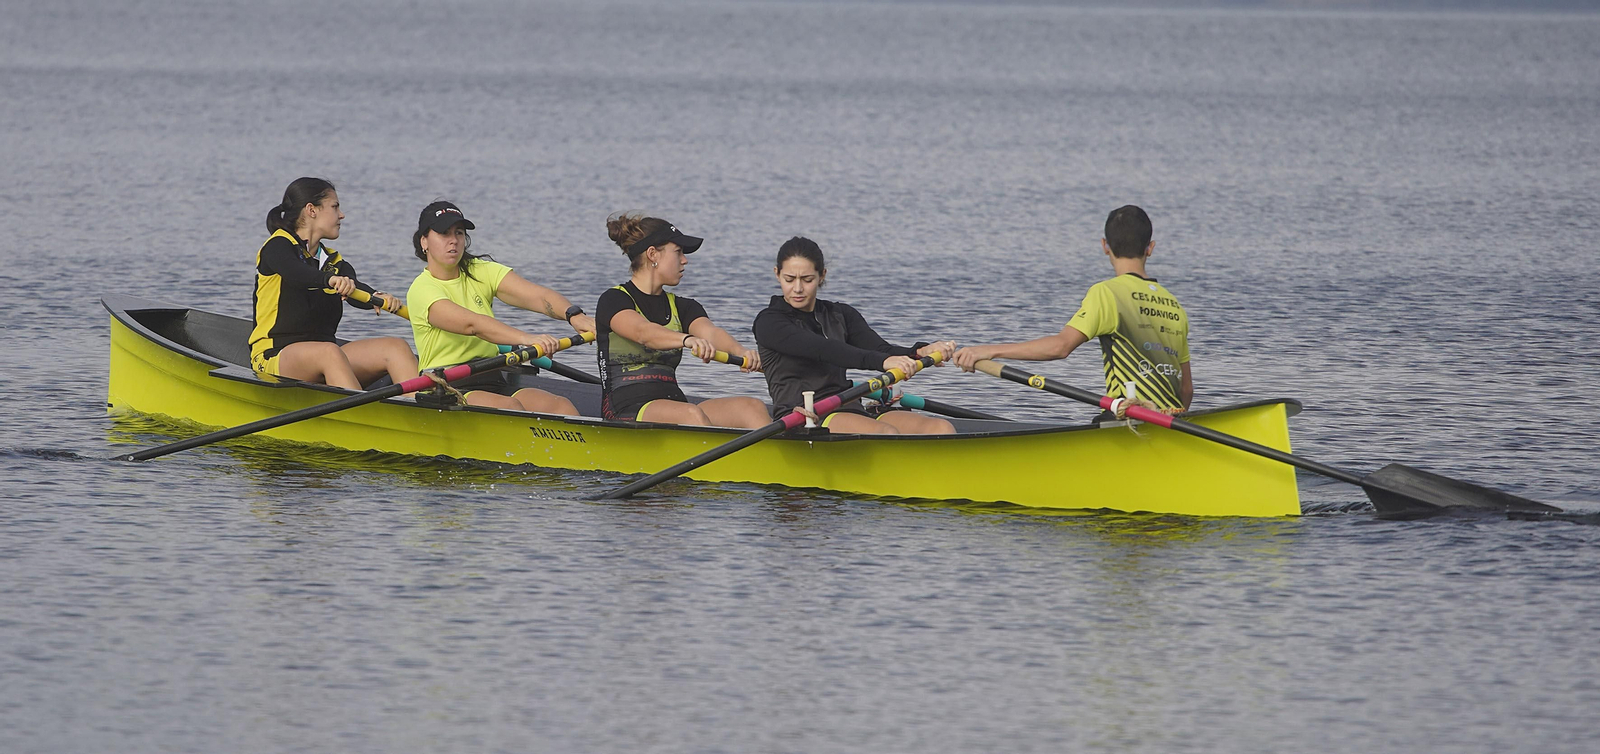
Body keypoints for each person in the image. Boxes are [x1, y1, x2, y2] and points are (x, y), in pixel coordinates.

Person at [953, 205, 1192, 416]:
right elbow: (1186, 390)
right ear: (1150, 248)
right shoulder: (1173, 303)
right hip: (1172, 419)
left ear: (1105, 246)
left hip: (1129, 420)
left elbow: (1060, 347)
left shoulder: (1107, 293)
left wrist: (989, 351)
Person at [406, 201, 596, 415]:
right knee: (510, 408)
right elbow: (473, 325)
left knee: (560, 405)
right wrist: (527, 339)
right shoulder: (421, 289)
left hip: (491, 376)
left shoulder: (479, 271)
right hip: (445, 385)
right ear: (424, 241)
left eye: (459, 233)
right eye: (444, 233)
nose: (454, 240)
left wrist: (574, 316)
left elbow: (538, 297)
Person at [752, 237, 957, 434]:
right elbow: (825, 350)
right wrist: (884, 362)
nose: (797, 288)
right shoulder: (769, 322)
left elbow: (881, 349)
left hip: (849, 407)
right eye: (789, 279)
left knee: (940, 428)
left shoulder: (841, 314)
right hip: (803, 416)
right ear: (777, 274)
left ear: (822, 275)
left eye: (807, 280)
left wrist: (920, 351)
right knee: (885, 432)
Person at [596, 212, 769, 428]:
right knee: (691, 415)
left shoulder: (684, 307)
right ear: (653, 254)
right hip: (625, 409)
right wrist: (686, 339)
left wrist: (741, 352)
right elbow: (643, 333)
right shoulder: (614, 300)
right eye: (678, 252)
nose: (685, 260)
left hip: (676, 405)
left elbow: (711, 334)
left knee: (752, 407)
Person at [249, 177, 418, 390]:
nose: (341, 215)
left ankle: (417, 407)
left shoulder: (334, 261)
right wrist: (328, 280)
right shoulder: (277, 246)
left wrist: (377, 296)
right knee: (329, 352)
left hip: (327, 354)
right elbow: (297, 272)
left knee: (396, 347)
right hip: (274, 356)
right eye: (335, 207)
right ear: (311, 210)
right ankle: (360, 410)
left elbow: (356, 290)